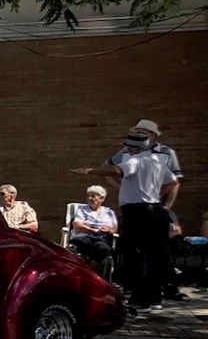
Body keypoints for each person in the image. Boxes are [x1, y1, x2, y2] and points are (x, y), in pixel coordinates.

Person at [73, 131, 177, 313]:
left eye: (129, 147)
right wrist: (164, 204)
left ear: (133, 148)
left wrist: (90, 171)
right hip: (155, 210)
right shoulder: (158, 161)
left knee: (135, 255)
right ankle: (154, 297)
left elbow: (116, 170)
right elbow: (173, 183)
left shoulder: (135, 160)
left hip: (137, 212)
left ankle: (140, 299)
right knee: (153, 255)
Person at [68, 184, 117, 270]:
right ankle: (89, 267)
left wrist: (108, 230)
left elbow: (114, 228)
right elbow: (78, 225)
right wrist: (92, 230)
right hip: (83, 236)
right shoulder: (82, 209)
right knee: (84, 243)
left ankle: (92, 268)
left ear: (102, 198)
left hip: (101, 238)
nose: (90, 198)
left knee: (103, 248)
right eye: (88, 196)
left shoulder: (109, 212)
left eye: (93, 196)